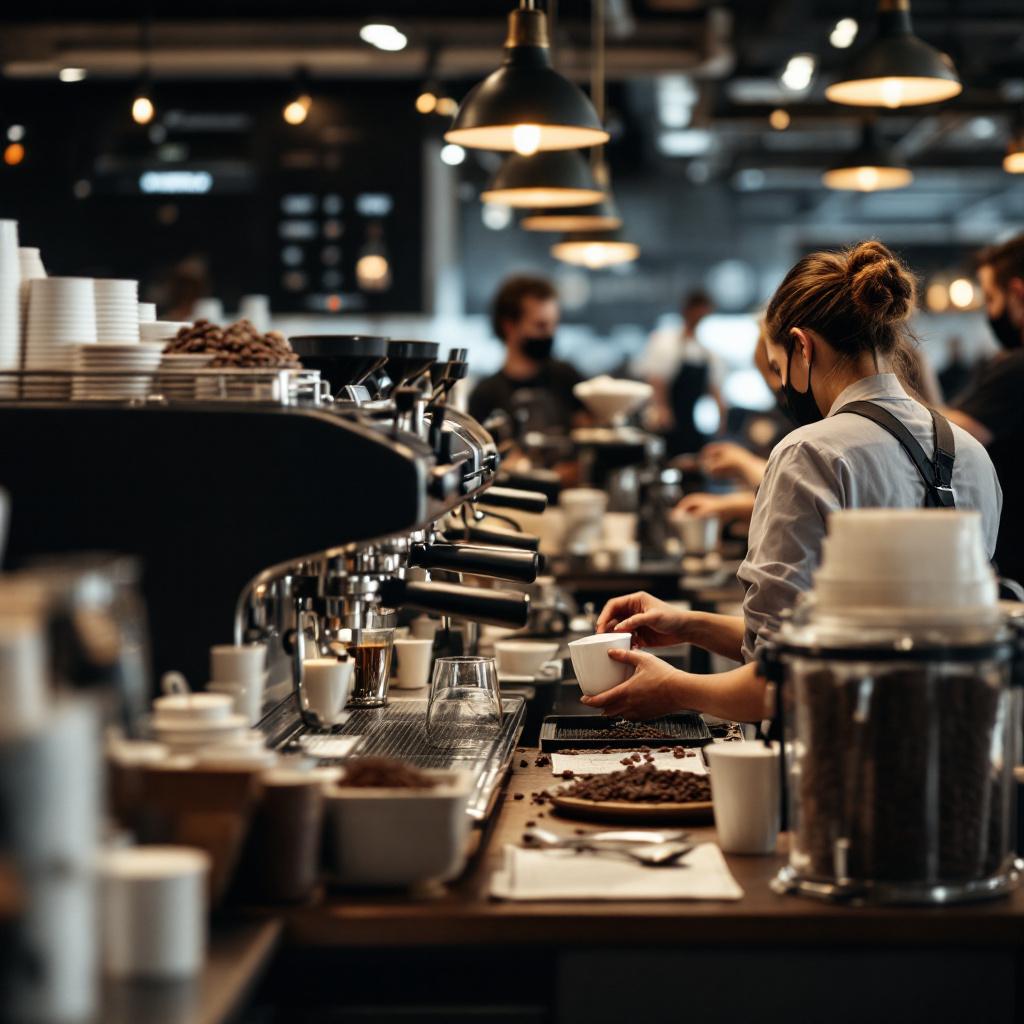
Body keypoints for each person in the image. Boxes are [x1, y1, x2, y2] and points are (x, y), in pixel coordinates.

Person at [583, 241, 1002, 723]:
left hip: (845, 757)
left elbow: (780, 681)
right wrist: (688, 624)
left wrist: (674, 687)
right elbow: (848, 637)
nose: (783, 388)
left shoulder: (809, 452)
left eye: (780, 370)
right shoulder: (970, 452)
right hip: (955, 742)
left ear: (802, 346)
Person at [944, 234, 1024, 586]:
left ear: (1018, 293)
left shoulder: (1017, 369)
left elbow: (945, 436)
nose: (989, 312)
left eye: (991, 298)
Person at [468, 275, 585, 434]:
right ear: (509, 326)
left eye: (554, 324)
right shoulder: (485, 395)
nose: (550, 334)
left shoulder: (567, 378)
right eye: (541, 325)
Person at [633, 290, 726, 454]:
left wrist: (722, 415)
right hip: (669, 421)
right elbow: (657, 379)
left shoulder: (705, 352)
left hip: (691, 422)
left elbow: (714, 387)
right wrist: (662, 408)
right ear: (687, 311)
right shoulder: (667, 342)